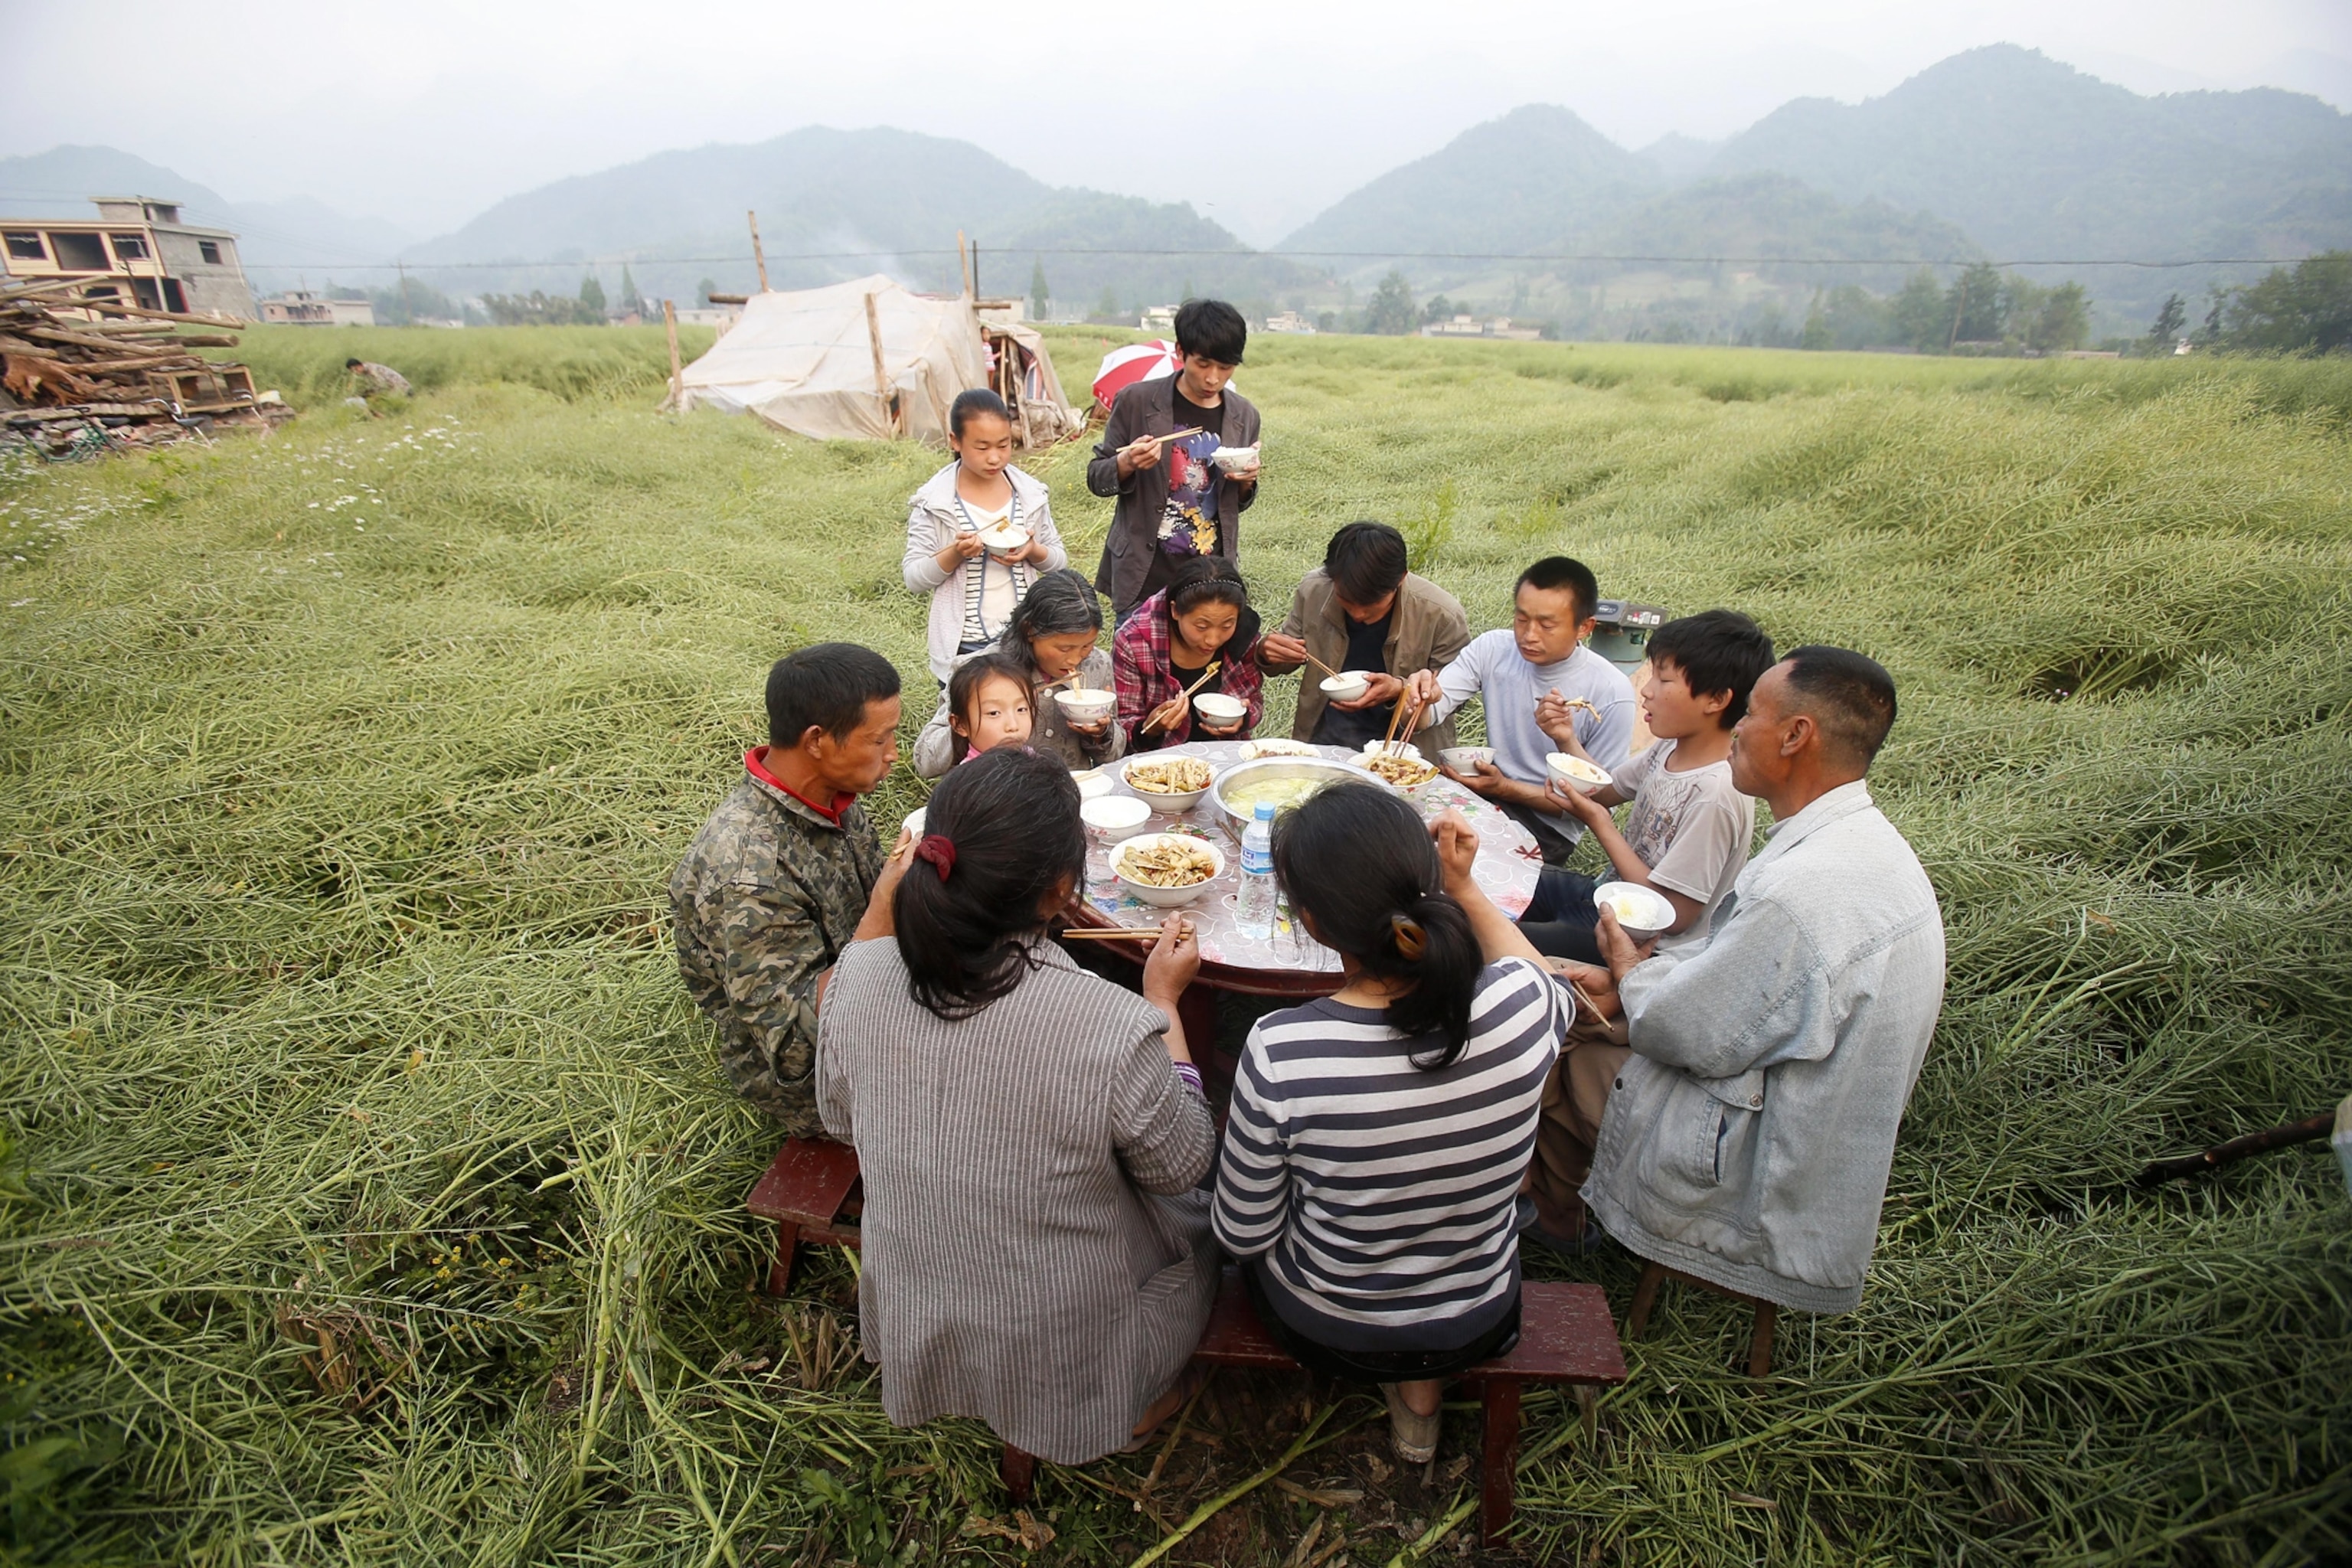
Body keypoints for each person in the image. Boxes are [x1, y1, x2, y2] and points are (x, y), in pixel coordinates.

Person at [816, 746, 1219, 1464]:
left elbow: (840, 1120)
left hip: (920, 1287)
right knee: (1207, 1236)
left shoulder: (858, 974)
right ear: (1063, 888)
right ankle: (1133, 1404)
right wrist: (1163, 1003)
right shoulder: (1111, 1024)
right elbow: (1182, 1163)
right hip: (1061, 1333)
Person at [1544, 647, 1947, 1310]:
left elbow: (1683, 1030)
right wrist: (1641, 978)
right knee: (1591, 996)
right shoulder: (1862, 845)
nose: (1737, 732)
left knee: (1555, 1036)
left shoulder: (1802, 892)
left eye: (1752, 715)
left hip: (1766, 1158)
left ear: (1795, 736)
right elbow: (1740, 986)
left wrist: (1626, 969)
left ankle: (1559, 1222)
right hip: (1804, 1119)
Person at [1213, 787, 1574, 1464]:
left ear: (1313, 922)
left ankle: (1405, 1389)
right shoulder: (1523, 1008)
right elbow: (1531, 966)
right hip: (1479, 1315)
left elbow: (1242, 1232)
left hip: (1327, 1324)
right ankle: (1421, 1400)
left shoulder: (1282, 1049)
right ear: (1426, 885)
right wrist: (1465, 887)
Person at [668, 644, 902, 1135]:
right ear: (817, 740)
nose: (893, 754)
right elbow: (796, 1047)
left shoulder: (831, 797)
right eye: (879, 740)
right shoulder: (747, 873)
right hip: (818, 1083)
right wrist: (886, 903)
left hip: (872, 992)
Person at [1516, 610, 1775, 968]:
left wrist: (1599, 823)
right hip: (1606, 897)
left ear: (1716, 699)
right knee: (1506, 875)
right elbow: (1605, 790)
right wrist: (1566, 737)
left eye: (1664, 681)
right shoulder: (1670, 747)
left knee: (1502, 936)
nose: (1647, 691)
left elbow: (1672, 915)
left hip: (1643, 946)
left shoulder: (1717, 793)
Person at [1406, 557, 1636, 866]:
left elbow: (1596, 806)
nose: (1529, 635)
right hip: (1484, 798)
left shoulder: (1612, 691)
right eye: (1522, 619)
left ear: (1585, 627)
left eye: (1547, 625)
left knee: (1458, 872)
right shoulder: (1492, 649)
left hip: (1548, 827)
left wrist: (1506, 788)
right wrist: (1415, 696)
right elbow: (1426, 716)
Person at [1088, 299, 1263, 622]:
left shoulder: (1244, 415)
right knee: (1137, 670)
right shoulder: (1137, 401)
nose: (1213, 378)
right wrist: (1126, 463)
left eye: (1225, 368)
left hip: (1209, 580)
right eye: (1203, 364)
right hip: (1144, 574)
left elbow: (1234, 505)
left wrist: (1247, 482)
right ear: (1181, 352)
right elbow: (1097, 477)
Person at [1256, 521, 1470, 758]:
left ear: (1401, 579)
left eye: (1371, 605)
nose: (1357, 614)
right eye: (1346, 600)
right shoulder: (1315, 590)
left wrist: (1400, 689)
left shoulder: (1442, 614)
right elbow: (1286, 655)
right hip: (1325, 741)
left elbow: (1454, 696)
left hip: (1406, 754)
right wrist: (1268, 653)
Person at [903, 389, 1066, 683]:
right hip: (965, 647)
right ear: (955, 441)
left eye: (1003, 445)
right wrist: (955, 554)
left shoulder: (1029, 495)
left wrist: (1033, 551)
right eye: (982, 447)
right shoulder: (935, 503)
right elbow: (914, 579)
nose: (995, 458)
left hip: (1023, 641)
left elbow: (1059, 562)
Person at [910, 568, 1124, 778]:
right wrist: (976, 720)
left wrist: (1102, 734)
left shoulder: (1097, 664)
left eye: (1086, 646)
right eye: (1064, 649)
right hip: (1000, 794)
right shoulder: (981, 671)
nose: (1075, 659)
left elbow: (1115, 754)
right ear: (1030, 630)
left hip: (1074, 792)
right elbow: (925, 762)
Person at [1114, 556, 1264, 751]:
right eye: (1201, 626)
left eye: (1226, 625)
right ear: (1175, 611)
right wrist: (1150, 728)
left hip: (1225, 754)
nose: (1213, 640)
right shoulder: (1134, 640)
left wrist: (1243, 719)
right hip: (1158, 763)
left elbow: (1254, 700)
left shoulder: (1243, 633)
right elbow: (1122, 724)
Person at [929, 651, 1032, 770]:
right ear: (960, 724)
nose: (1013, 726)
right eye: (994, 713)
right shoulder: (970, 781)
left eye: (1021, 709)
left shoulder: (1035, 761)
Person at [345, 358, 411, 397]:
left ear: (360, 365)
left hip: (402, 389)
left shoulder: (372, 370)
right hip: (396, 389)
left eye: (356, 369)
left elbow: (381, 386)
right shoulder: (366, 371)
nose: (355, 372)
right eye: (353, 371)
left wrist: (368, 394)